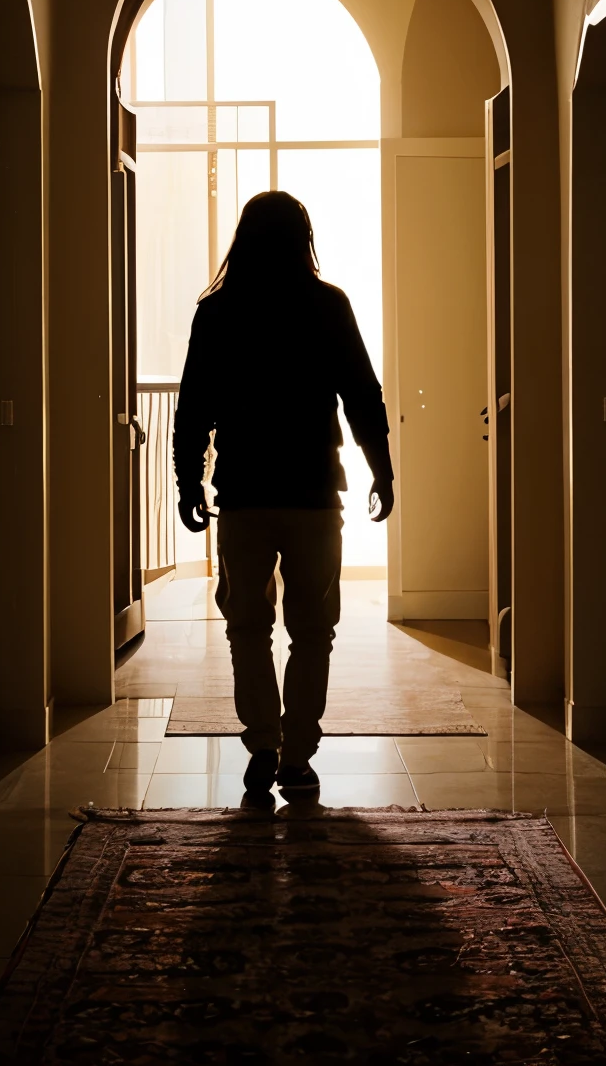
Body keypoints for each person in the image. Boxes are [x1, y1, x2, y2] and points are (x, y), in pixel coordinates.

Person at [173, 191, 394, 799]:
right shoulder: (327, 306)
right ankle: (297, 754)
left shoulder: (216, 314)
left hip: (243, 494)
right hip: (315, 494)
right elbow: (362, 397)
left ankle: (262, 745)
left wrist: (188, 479)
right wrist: (383, 471)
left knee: (247, 628)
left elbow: (193, 408)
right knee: (313, 629)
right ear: (304, 239)